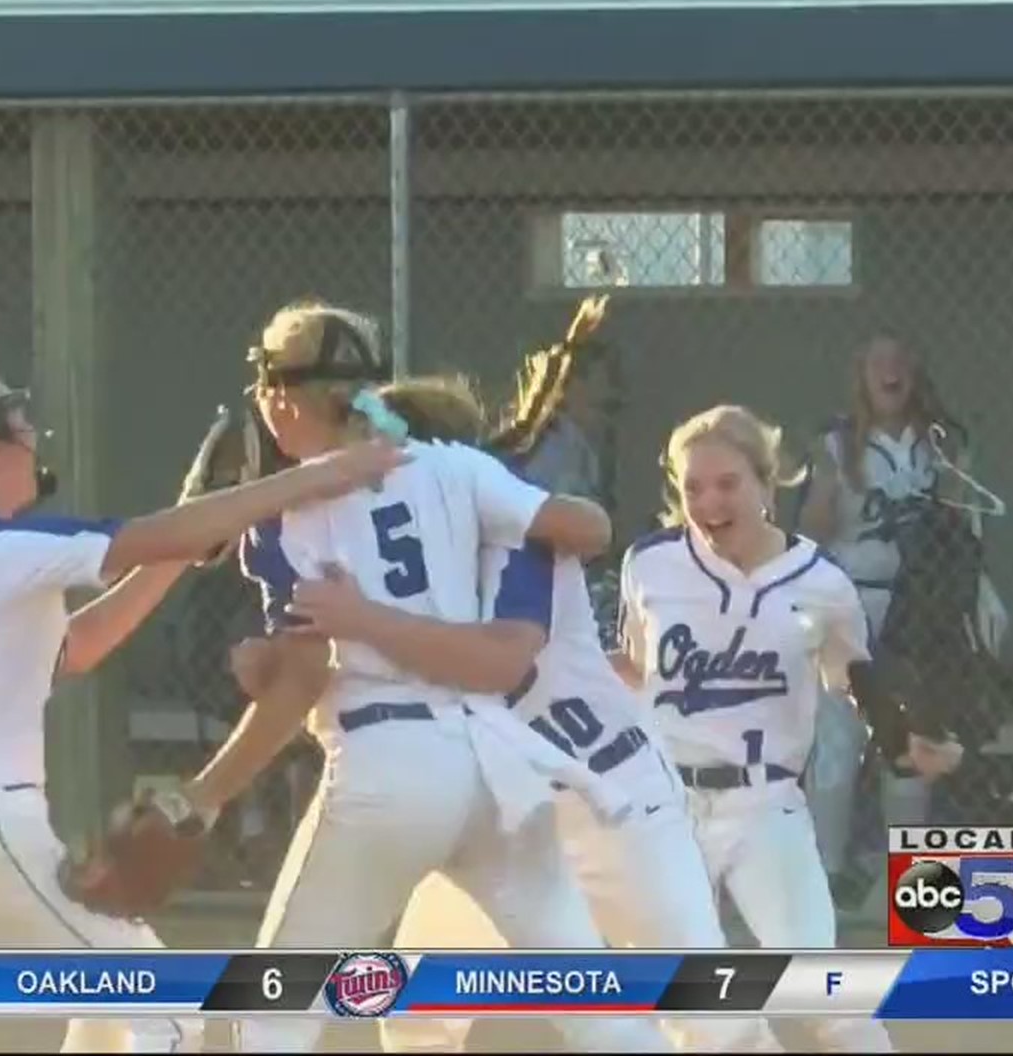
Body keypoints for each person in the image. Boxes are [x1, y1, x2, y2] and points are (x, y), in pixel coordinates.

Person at [176, 302, 669, 1054]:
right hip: (493, 764)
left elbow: (304, 683)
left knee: (274, 1007)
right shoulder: (456, 465)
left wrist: (205, 795)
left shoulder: (283, 513)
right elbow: (590, 530)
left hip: (387, 768)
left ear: (280, 398)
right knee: (596, 1006)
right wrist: (500, 521)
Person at [0, 366, 404, 1053]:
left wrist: (184, 541)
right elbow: (156, 533)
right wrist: (321, 474)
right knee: (166, 1013)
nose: (35, 448)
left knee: (104, 1013)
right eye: (22, 434)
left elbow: (82, 645)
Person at [360, 322, 775, 1055]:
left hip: (613, 801)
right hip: (508, 818)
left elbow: (503, 660)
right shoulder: (391, 556)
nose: (358, 476)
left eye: (374, 458)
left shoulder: (517, 528)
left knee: (716, 1018)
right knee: (418, 1013)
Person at [613, 404, 963, 1054]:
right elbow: (634, 668)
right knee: (709, 1016)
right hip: (662, 805)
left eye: (727, 484)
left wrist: (903, 740)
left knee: (829, 1001)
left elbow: (854, 676)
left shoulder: (820, 580)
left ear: (767, 484)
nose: (709, 501)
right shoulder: (651, 564)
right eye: (692, 487)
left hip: (763, 801)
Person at [798, 335, 996, 903]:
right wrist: (828, 485)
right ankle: (827, 875)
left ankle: (906, 881)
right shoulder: (836, 443)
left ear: (916, 373)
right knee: (837, 741)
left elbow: (966, 528)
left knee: (914, 739)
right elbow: (810, 534)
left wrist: (979, 589)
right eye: (877, 362)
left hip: (923, 607)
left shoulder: (943, 442)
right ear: (859, 375)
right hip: (850, 598)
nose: (890, 371)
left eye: (901, 361)